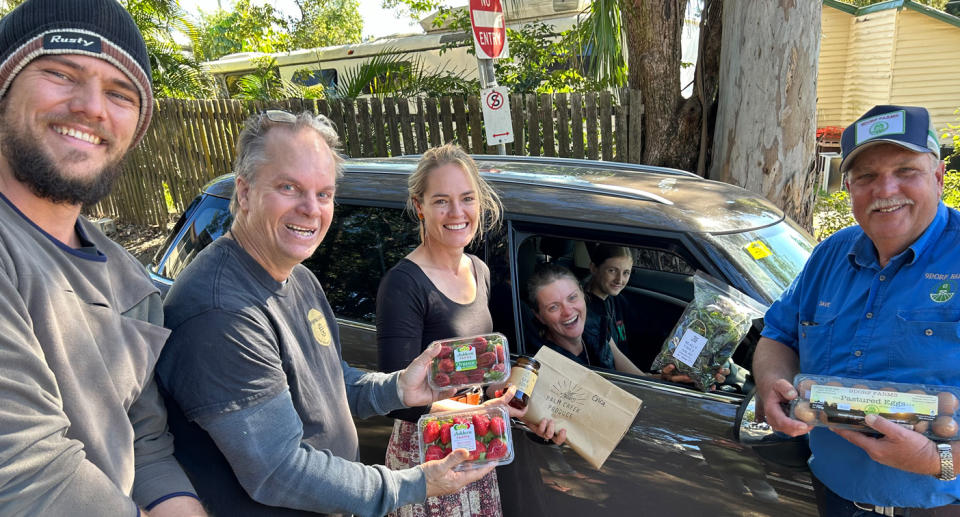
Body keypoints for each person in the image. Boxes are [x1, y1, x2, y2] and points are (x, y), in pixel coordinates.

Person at [156, 111, 499, 517]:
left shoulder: (298, 278)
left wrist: (397, 389)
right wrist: (414, 483)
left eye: (324, 193)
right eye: (289, 187)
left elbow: (332, 384)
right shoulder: (221, 311)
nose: (311, 209)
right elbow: (279, 471)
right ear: (245, 193)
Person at [0, 1, 207, 515]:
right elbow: (27, 476)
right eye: (61, 73)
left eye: (119, 93)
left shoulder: (128, 280)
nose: (93, 107)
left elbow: (145, 442)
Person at [754, 105, 960, 514]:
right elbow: (778, 335)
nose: (885, 190)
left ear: (937, 178)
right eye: (866, 176)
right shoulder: (830, 255)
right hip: (833, 496)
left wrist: (940, 460)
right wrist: (772, 381)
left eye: (906, 171)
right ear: (848, 187)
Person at [376, 143, 565, 517]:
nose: (457, 212)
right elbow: (396, 401)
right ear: (419, 206)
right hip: (427, 457)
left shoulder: (479, 270)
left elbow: (482, 377)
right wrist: (482, 409)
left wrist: (527, 412)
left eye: (467, 198)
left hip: (477, 445)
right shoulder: (403, 285)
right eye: (441, 201)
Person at [583, 244, 634, 360]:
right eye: (612, 271)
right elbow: (614, 360)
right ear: (594, 268)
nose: (619, 280)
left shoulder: (615, 299)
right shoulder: (588, 312)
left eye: (626, 272)